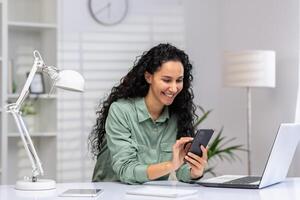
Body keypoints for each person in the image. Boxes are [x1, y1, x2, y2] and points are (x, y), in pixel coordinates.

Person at [89, 43, 208, 184]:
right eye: (167, 80)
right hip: (111, 192)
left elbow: (180, 167)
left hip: (152, 193)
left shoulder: (177, 115)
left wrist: (194, 172)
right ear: (148, 77)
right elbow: (126, 170)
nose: (174, 88)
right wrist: (170, 165)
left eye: (179, 80)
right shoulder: (121, 111)